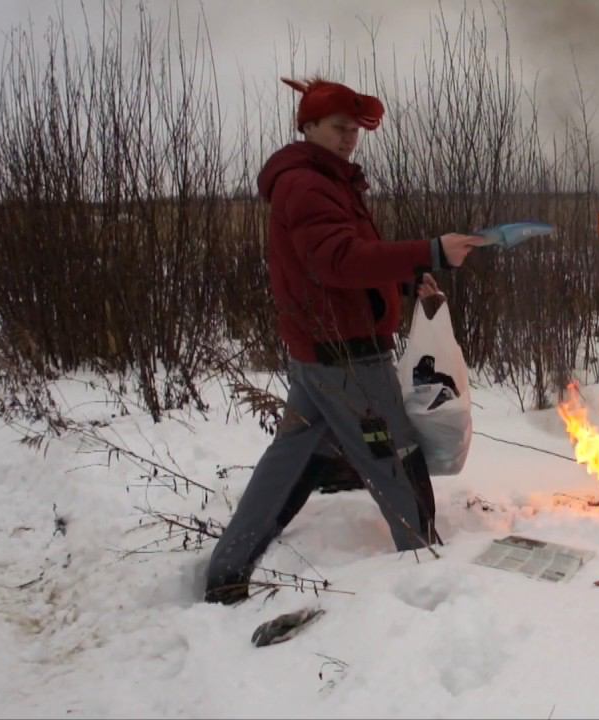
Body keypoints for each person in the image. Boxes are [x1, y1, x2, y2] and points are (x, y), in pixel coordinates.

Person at [204, 77, 486, 605]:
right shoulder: (305, 185)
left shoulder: (331, 182)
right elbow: (336, 262)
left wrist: (404, 279)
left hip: (327, 352)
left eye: (355, 130)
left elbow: (353, 256)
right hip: (345, 356)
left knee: (292, 458)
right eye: (339, 128)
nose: (350, 138)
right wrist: (429, 250)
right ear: (307, 126)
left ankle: (227, 572)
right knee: (395, 458)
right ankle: (428, 572)